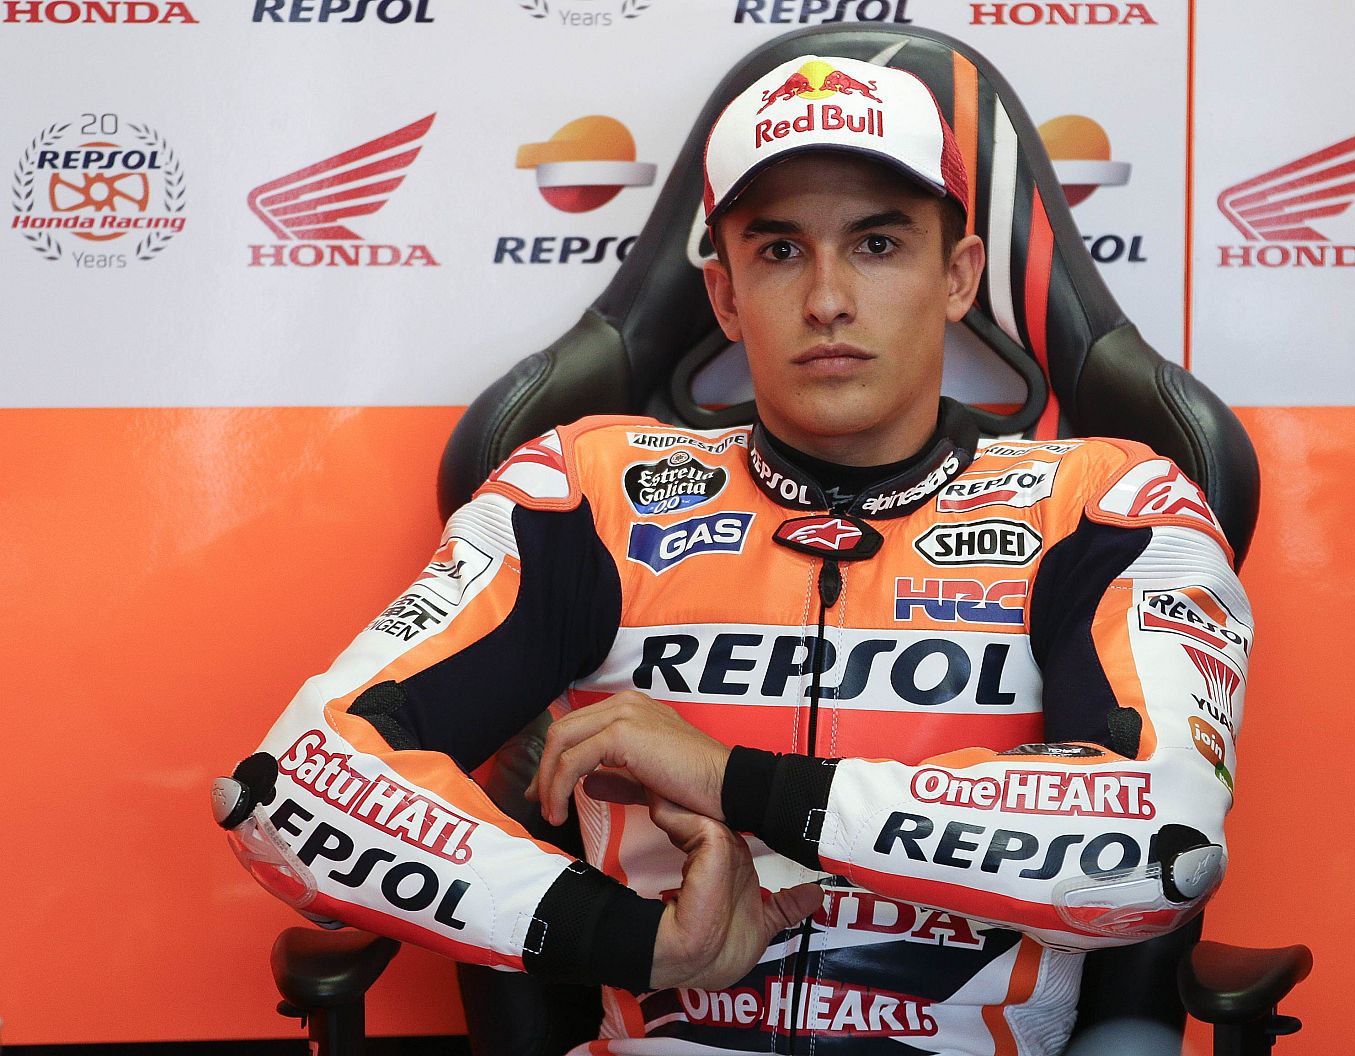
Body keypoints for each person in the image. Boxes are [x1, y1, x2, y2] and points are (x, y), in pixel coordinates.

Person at [215, 53, 1250, 1055]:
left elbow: (1159, 846)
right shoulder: (588, 491)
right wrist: (636, 941)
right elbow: (285, 786)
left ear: (959, 276)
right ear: (721, 296)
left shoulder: (1109, 502)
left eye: (879, 245)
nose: (828, 299)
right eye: (778, 249)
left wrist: (736, 782)